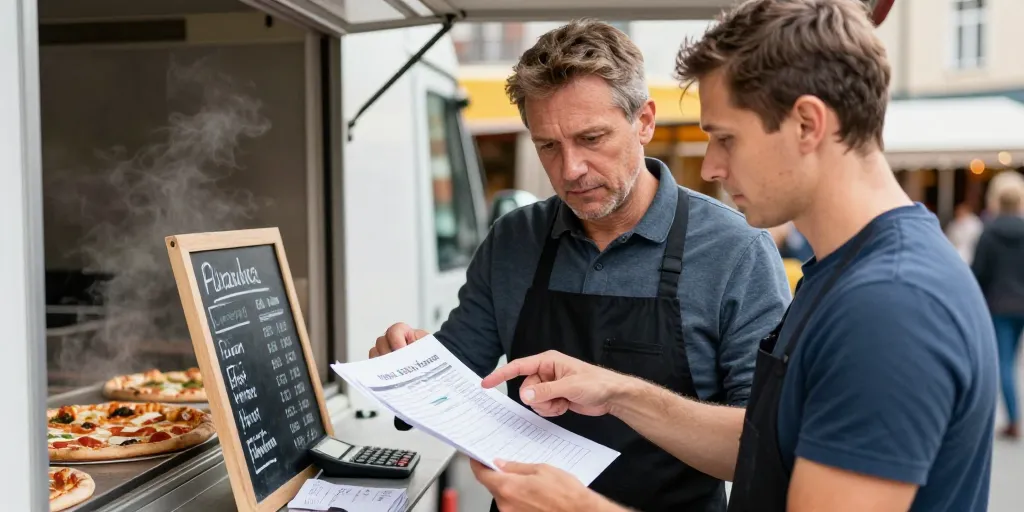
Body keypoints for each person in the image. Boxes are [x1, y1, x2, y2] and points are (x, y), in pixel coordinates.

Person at [469, 1, 998, 511]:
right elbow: (765, 443)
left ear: (807, 124)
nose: (712, 167)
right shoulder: (842, 276)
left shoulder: (889, 306)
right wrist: (618, 393)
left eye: (725, 138)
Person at [370, 18, 791, 512]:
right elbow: (457, 375)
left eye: (591, 138)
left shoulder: (736, 251)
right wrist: (406, 369)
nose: (570, 169)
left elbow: (765, 448)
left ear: (644, 121)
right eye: (548, 146)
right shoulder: (514, 239)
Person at [972, 184, 1024, 440]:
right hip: (1022, 304)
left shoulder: (989, 232)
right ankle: (1013, 418)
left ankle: (1013, 418)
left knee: (1003, 361)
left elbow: (978, 271)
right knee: (1011, 359)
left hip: (998, 304)